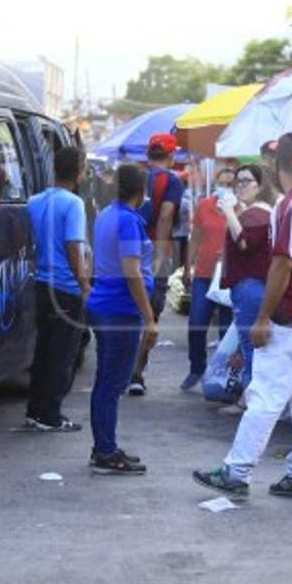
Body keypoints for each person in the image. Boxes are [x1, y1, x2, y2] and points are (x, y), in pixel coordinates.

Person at [193, 131, 292, 501]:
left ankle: (236, 471)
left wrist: (262, 317)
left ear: (280, 165)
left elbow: (281, 265)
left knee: (264, 398)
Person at [86, 163, 156, 474]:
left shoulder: (106, 215)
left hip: (104, 305)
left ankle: (104, 445)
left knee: (106, 381)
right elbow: (132, 271)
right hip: (119, 310)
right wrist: (149, 317)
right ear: (141, 192)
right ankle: (105, 451)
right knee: (112, 384)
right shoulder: (127, 221)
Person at [25, 146, 89, 432]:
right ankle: (50, 414)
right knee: (63, 354)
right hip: (66, 288)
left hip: (42, 283)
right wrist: (84, 284)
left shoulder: (34, 201)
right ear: (79, 173)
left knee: (43, 350)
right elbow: (73, 245)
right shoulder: (74, 203)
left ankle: (35, 410)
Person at [128, 133, 183, 396]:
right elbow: (165, 216)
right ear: (171, 156)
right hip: (155, 251)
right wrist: (160, 253)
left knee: (129, 309)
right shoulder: (171, 181)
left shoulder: (135, 178)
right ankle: (136, 374)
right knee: (151, 312)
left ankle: (123, 370)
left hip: (129, 249)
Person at [217, 163, 275, 395]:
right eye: (237, 181)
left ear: (260, 186)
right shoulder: (258, 212)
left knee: (251, 346)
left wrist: (230, 211)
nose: (240, 186)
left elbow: (244, 242)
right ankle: (250, 399)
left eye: (246, 181)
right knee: (253, 346)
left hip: (250, 286)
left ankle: (252, 402)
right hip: (253, 285)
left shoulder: (257, 213)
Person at [180, 167, 235, 391]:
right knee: (196, 323)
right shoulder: (204, 206)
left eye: (231, 184)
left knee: (226, 329)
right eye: (222, 183)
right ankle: (197, 368)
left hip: (230, 277)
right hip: (204, 273)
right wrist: (187, 267)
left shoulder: (241, 209)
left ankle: (224, 375)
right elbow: (195, 238)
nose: (226, 188)